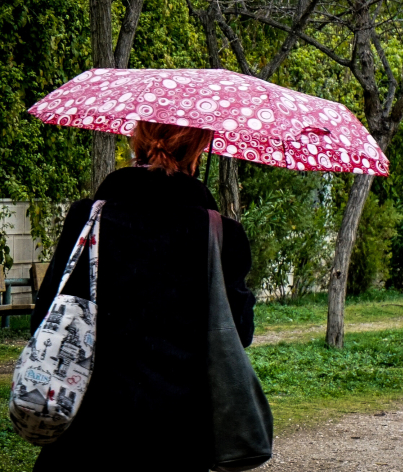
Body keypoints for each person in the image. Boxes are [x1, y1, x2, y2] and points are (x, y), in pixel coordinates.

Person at [30, 122, 255, 471]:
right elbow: (239, 333)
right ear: (197, 150)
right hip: (175, 439)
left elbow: (45, 316)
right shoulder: (221, 234)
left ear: (138, 141)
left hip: (85, 433)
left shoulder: (87, 220)